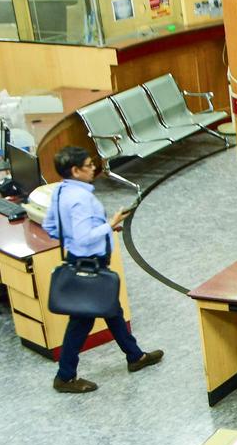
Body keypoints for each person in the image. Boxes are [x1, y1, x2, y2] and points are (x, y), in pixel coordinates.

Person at [42, 146, 162, 393]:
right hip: (90, 263)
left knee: (112, 310)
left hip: (76, 258)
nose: (93, 168)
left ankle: (135, 356)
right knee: (81, 323)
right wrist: (109, 224)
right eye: (88, 165)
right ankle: (65, 376)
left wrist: (89, 234)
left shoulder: (60, 191)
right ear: (75, 170)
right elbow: (84, 236)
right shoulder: (81, 199)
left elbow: (51, 227)